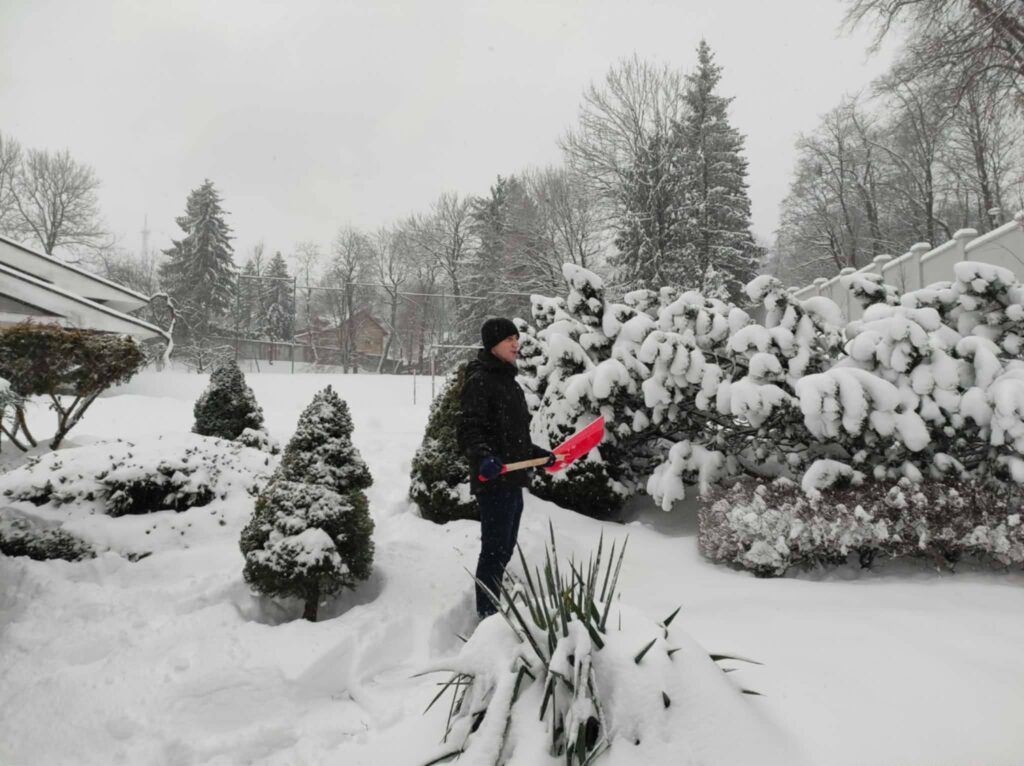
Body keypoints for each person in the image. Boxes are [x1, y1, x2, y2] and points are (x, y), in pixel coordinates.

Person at [457, 317, 556, 618]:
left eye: (516, 338)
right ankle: (487, 617)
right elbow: (468, 429)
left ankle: (493, 607)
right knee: (494, 551)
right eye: (508, 339)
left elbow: (516, 438)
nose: (516, 344)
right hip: (493, 478)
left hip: (513, 479)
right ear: (492, 344)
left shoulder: (509, 384)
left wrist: (539, 455)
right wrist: (483, 457)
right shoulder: (480, 381)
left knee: (505, 549)